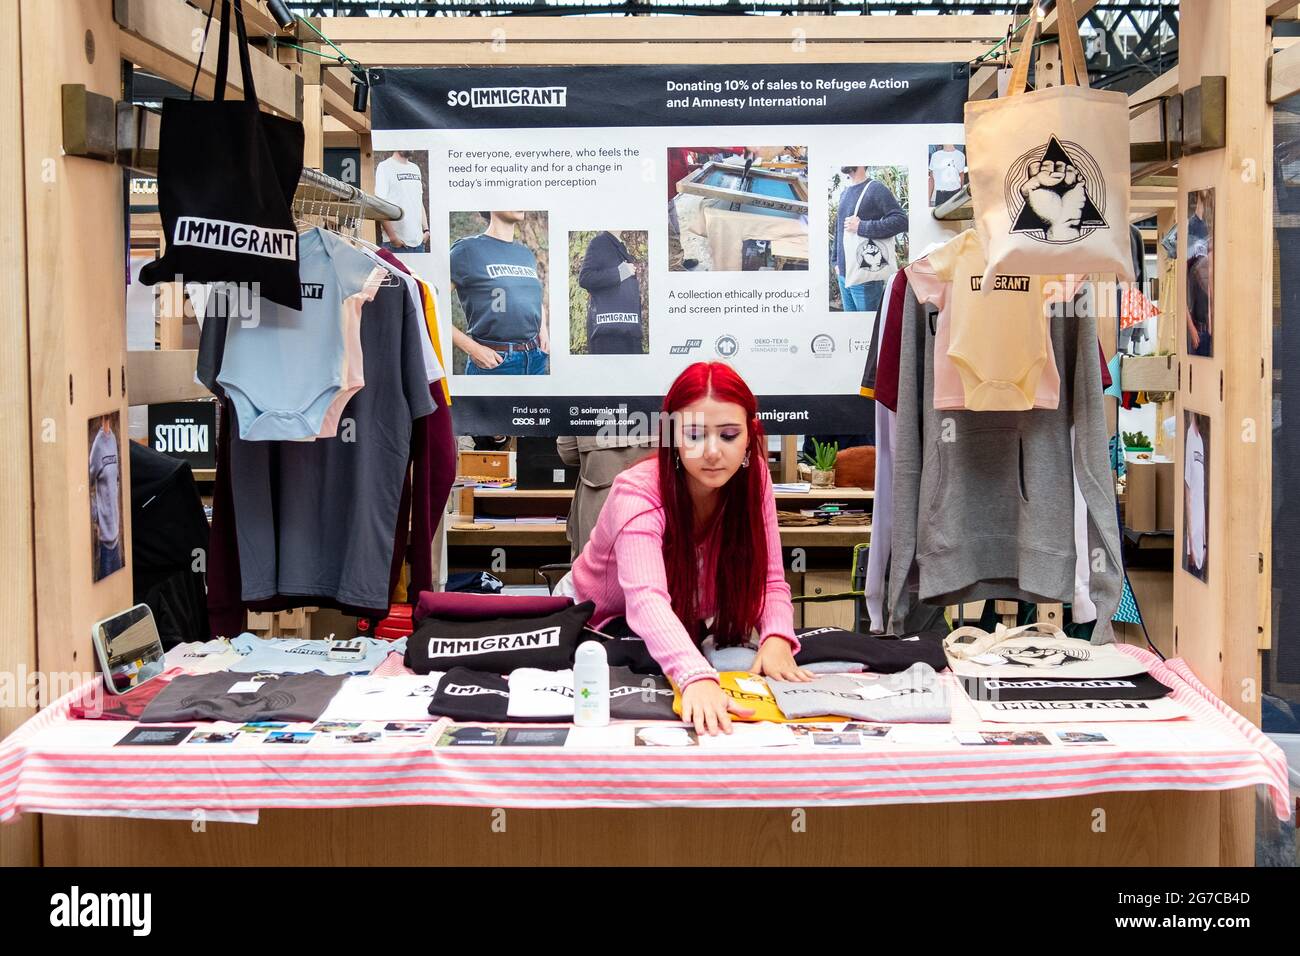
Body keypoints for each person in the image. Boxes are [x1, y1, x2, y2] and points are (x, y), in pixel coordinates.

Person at [567, 362, 813, 737]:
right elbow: (646, 601)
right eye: (695, 435)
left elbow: (770, 580)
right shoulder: (636, 491)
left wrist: (777, 636)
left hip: (679, 624)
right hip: (595, 623)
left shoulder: (755, 479)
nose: (713, 452)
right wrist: (695, 675)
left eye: (729, 435)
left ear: (749, 436)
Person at [450, 211, 550, 375]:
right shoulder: (466, 250)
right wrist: (473, 349)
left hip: (536, 359)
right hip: (495, 363)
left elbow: (534, 298)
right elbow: (428, 303)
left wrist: (543, 331)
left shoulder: (525, 254)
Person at [557, 432, 657, 559]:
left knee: (595, 573)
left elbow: (568, 452)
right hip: (653, 501)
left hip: (598, 503)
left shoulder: (582, 411)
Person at [832, 166, 908, 313]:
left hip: (866, 276)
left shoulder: (875, 189)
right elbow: (839, 229)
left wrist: (861, 226)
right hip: (843, 274)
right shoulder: (845, 193)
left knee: (868, 330)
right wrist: (835, 260)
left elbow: (901, 221)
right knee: (851, 328)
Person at [578, 230, 643, 355]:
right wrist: (621, 273)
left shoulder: (618, 245)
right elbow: (585, 278)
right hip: (609, 335)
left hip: (628, 328)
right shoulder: (599, 243)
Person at [374, 151, 429, 253]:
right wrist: (393, 238)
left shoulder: (415, 168)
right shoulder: (385, 167)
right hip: (396, 245)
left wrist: (426, 230)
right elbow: (380, 204)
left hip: (419, 243)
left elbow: (419, 201)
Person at [89, 415, 123, 579]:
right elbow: (88, 480)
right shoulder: (98, 445)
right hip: (104, 537)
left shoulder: (113, 439)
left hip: (116, 533)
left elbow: (115, 479)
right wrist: (96, 513)